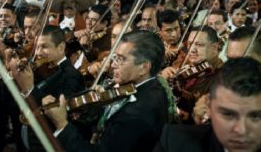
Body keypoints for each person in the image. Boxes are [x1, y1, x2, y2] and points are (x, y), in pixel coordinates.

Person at [43, 31, 172, 151]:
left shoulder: (136, 114)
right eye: (115, 57)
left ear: (144, 67)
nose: (113, 64)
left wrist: (62, 125)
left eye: (121, 59)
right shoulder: (149, 86)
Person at [154, 57, 261, 152]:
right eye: (228, 114)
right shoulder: (173, 143)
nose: (241, 130)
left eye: (255, 116)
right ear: (209, 106)